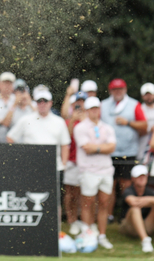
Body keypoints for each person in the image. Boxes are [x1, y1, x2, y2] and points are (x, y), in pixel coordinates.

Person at [100, 78, 147, 223]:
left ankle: (126, 215)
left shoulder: (134, 104)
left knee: (126, 184)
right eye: (115, 89)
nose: (118, 92)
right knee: (109, 185)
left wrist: (128, 123)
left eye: (120, 89)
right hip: (109, 152)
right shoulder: (103, 105)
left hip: (128, 152)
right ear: (110, 91)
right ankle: (109, 216)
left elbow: (144, 126)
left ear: (125, 90)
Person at [74, 97, 116, 249]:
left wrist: (97, 148)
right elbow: (86, 148)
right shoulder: (80, 127)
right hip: (88, 170)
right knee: (88, 203)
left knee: (104, 203)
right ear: (86, 110)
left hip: (106, 170)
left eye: (96, 108)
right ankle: (88, 234)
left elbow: (112, 147)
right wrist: (103, 147)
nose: (94, 111)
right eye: (91, 108)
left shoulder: (107, 127)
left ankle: (102, 235)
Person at [7, 89, 71, 179]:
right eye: (39, 101)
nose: (42, 104)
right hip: (30, 167)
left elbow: (65, 145)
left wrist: (63, 165)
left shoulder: (59, 121)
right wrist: (22, 157)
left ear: (50, 103)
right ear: (35, 103)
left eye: (45, 101)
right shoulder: (26, 120)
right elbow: (10, 138)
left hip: (54, 167)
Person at [119, 165, 154, 252]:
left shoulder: (150, 191)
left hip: (146, 224)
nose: (142, 178)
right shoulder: (128, 190)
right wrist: (152, 201)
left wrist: (148, 200)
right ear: (133, 179)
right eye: (139, 176)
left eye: (144, 176)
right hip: (129, 226)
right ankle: (145, 240)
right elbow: (132, 201)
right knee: (135, 208)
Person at [63, 91, 87, 236]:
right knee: (70, 194)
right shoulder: (68, 121)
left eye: (82, 102)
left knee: (84, 195)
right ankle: (72, 220)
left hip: (86, 163)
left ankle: (82, 221)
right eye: (76, 102)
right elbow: (67, 137)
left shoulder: (90, 120)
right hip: (72, 161)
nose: (79, 105)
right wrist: (73, 120)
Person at [0, 78, 34, 143]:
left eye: (23, 91)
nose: (21, 95)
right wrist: (15, 103)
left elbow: (40, 119)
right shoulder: (11, 104)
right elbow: (6, 123)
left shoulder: (33, 105)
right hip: (14, 140)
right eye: (18, 91)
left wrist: (29, 103)